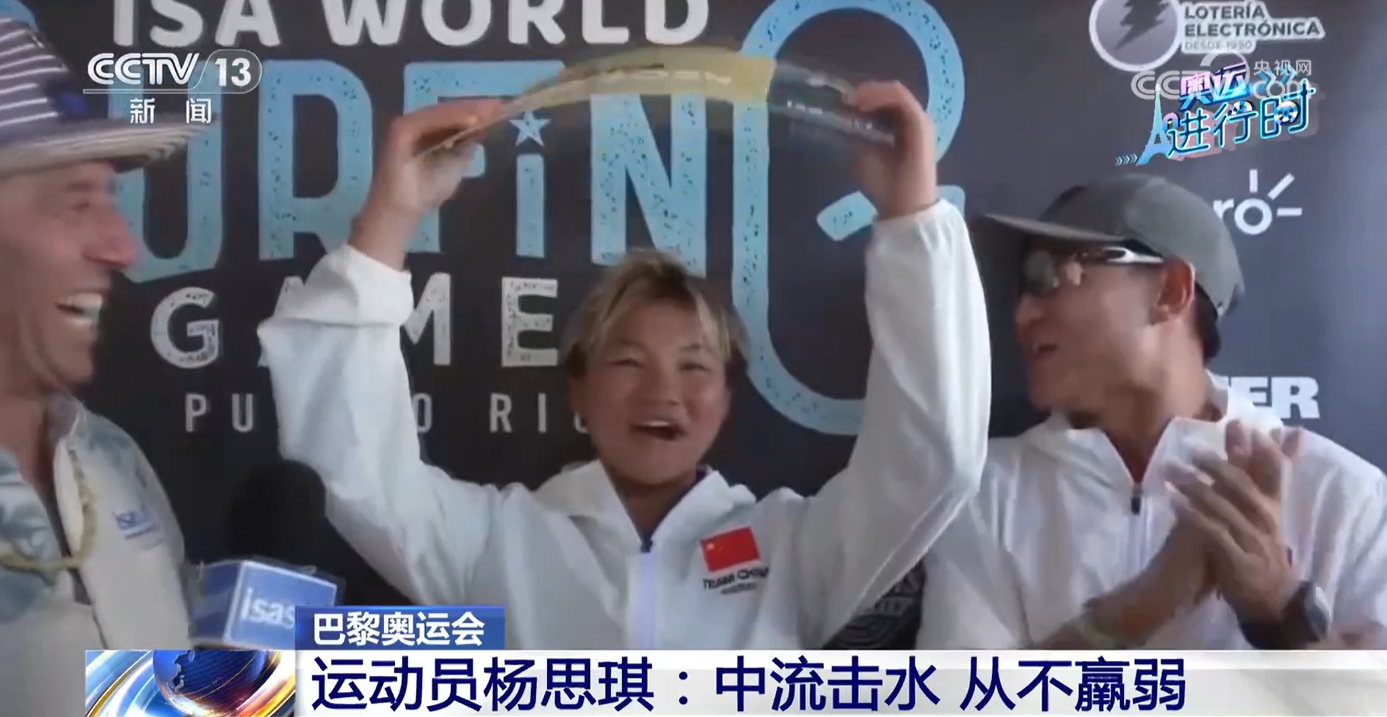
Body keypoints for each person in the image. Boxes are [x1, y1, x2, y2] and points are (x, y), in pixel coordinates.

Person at [259, 82, 991, 648]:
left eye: (695, 367)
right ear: (578, 388)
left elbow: (933, 460)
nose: (662, 392)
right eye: (629, 362)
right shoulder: (493, 539)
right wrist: (390, 216)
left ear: (727, 398)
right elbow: (349, 464)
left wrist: (911, 217)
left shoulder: (794, 547)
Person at [917, 174, 1387, 649]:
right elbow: (964, 690)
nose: (1022, 316)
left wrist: (1278, 604)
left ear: (1170, 291)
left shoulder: (1344, 497)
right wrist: (1143, 605)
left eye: (1048, 277)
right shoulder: (986, 494)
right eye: (1020, 289)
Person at [0, 18, 210, 715]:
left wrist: (474, 684)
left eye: (109, 199)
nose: (123, 249)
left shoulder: (109, 456)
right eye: (76, 203)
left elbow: (161, 697)